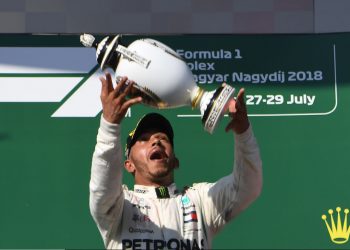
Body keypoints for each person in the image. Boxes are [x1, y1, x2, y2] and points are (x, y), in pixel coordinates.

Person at [89, 72, 263, 250]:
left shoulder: (200, 201)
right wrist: (110, 126)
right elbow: (102, 186)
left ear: (175, 161)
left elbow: (248, 187)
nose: (155, 141)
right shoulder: (119, 206)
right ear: (129, 164)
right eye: (144, 139)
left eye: (163, 138)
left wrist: (243, 132)